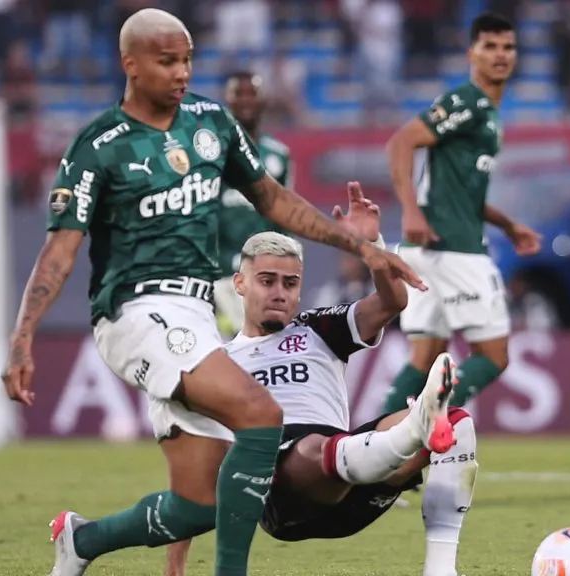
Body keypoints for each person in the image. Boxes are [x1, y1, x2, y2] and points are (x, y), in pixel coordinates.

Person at [0, 9, 423, 576]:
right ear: (130, 63)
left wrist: (359, 247)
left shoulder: (210, 122)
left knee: (199, 505)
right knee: (260, 412)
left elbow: (272, 199)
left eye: (188, 60)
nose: (181, 72)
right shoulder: (99, 145)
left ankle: (82, 541)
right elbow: (60, 249)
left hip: (197, 313)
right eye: (167, 60)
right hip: (136, 311)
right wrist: (23, 336)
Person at [165, 186, 475, 576]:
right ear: (239, 284)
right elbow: (194, 467)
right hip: (283, 495)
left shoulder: (318, 329)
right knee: (318, 446)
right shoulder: (218, 363)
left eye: (290, 283)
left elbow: (393, 302)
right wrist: (175, 563)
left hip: (351, 483)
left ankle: (441, 568)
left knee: (458, 423)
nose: (280, 293)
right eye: (267, 280)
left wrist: (373, 246)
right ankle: (414, 428)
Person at [382, 12, 542, 413]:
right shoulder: (467, 101)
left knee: (424, 356)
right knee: (493, 355)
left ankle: (373, 451)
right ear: (472, 52)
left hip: (431, 248)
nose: (500, 55)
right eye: (490, 46)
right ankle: (427, 422)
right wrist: (411, 211)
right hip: (454, 249)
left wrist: (508, 225)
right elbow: (401, 142)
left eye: (508, 47)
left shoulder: (488, 114)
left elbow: (463, 193)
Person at [215, 70, 293, 338]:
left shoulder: (278, 155)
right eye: (239, 93)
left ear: (264, 100)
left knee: (262, 358)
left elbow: (285, 220)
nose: (246, 100)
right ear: (228, 100)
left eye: (253, 93)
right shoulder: (212, 155)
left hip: (264, 276)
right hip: (221, 275)